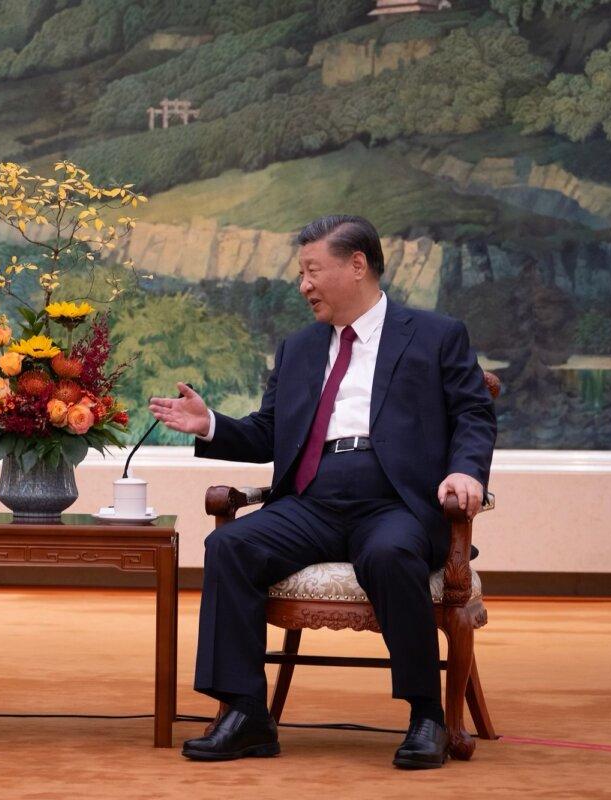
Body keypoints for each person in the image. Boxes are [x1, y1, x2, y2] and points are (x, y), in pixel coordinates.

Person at [149, 215, 496, 769]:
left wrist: (468, 472)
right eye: (301, 273)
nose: (303, 284)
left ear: (357, 265)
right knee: (230, 546)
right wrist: (210, 424)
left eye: (313, 270)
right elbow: (270, 431)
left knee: (389, 553)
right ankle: (245, 715)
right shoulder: (300, 348)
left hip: (396, 502)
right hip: (311, 500)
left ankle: (426, 714)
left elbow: (474, 413)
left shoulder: (435, 334)